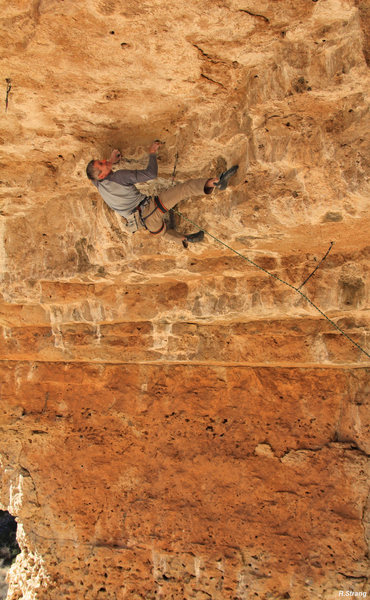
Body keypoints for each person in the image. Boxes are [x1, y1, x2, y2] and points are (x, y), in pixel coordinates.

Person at [86, 141, 238, 247]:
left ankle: (185, 239)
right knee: (183, 190)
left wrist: (111, 161)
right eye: (102, 164)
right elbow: (151, 174)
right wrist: (152, 153)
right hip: (150, 210)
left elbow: (95, 175)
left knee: (162, 232)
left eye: (102, 160)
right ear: (100, 176)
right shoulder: (121, 177)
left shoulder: (97, 184)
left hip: (145, 224)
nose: (105, 161)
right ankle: (216, 182)